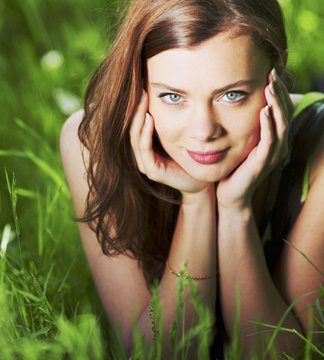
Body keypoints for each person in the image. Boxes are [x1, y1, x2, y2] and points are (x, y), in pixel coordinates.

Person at [60, 0, 324, 357]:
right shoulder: (91, 143)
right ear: (139, 85)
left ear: (276, 74)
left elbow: (284, 355)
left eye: (232, 95)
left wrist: (235, 209)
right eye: (172, 96)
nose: (203, 131)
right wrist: (197, 201)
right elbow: (156, 353)